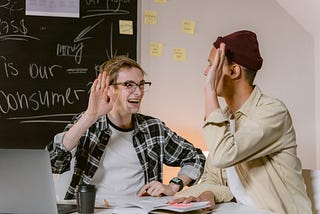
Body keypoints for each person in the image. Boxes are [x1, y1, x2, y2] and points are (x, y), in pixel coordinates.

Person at [171, 30, 312, 214]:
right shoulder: (226, 116)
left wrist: (209, 92)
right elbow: (212, 178)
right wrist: (207, 194)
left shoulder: (272, 112)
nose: (207, 73)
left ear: (234, 70)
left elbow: (224, 155)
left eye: (212, 66)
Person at [47, 55, 206, 201]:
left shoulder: (153, 129)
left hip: (139, 210)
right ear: (109, 88)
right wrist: (90, 115)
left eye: (141, 85)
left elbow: (196, 158)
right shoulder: (87, 124)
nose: (138, 92)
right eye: (129, 85)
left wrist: (173, 185)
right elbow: (53, 162)